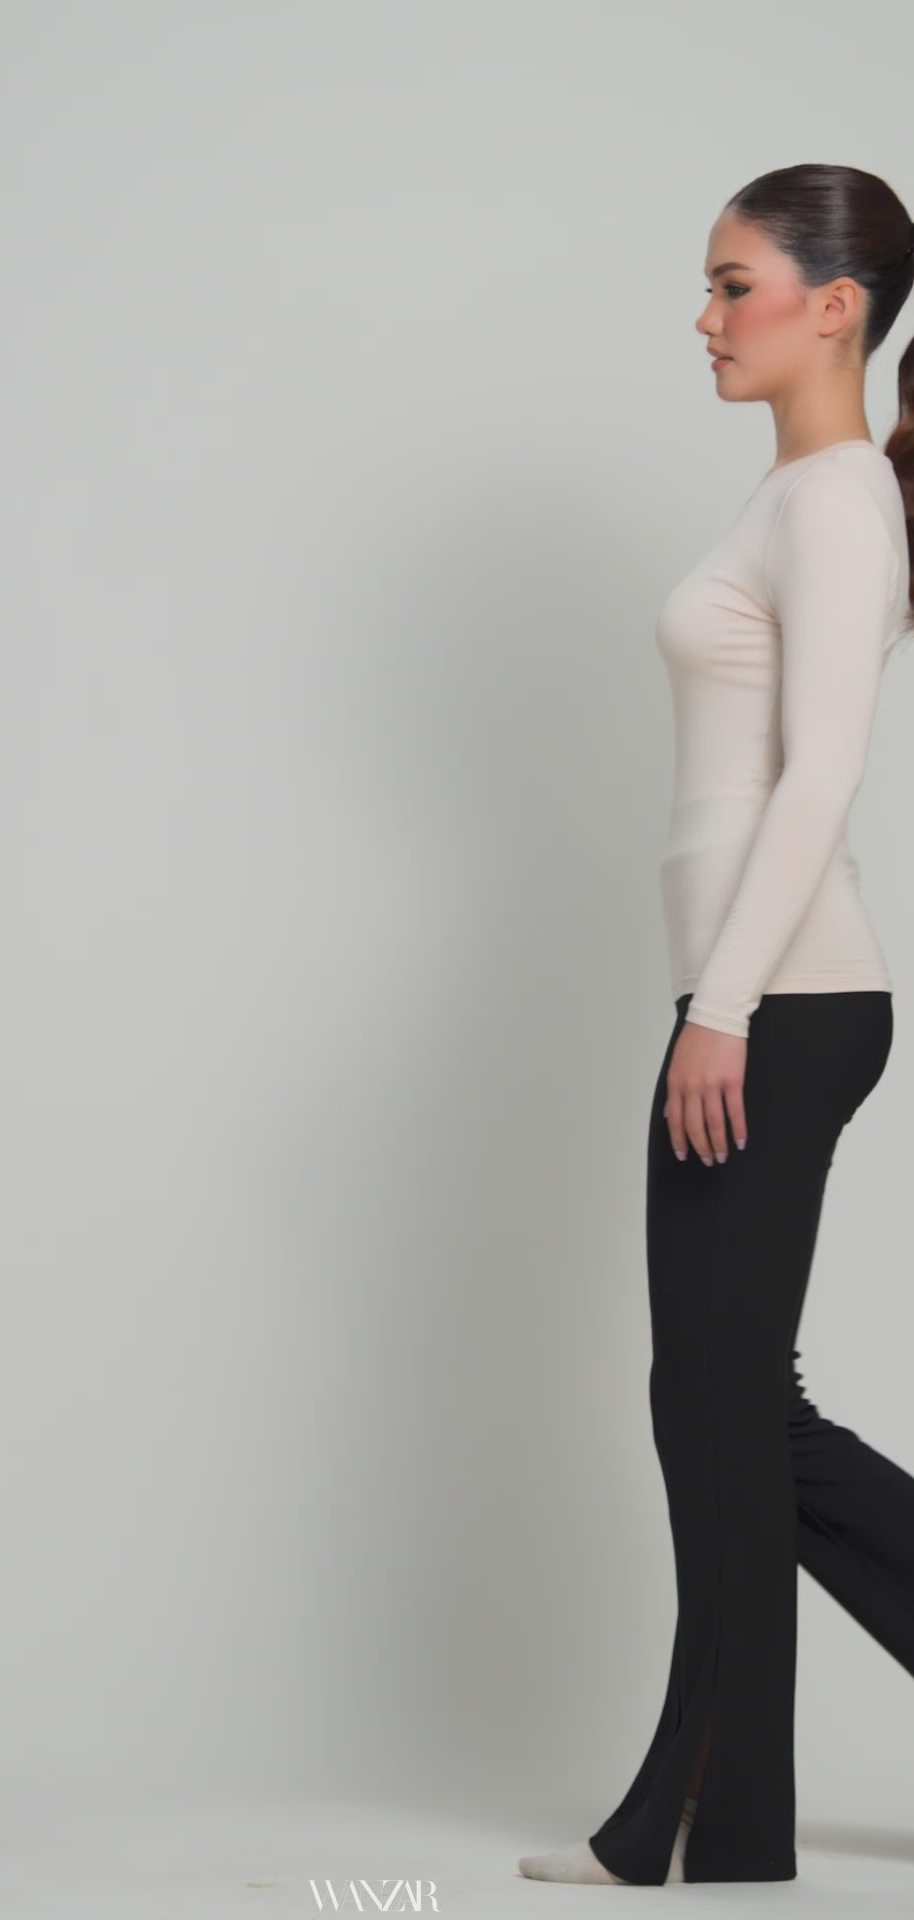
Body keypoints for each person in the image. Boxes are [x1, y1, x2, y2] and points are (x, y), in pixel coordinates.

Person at [518, 163, 914, 1887]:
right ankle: (723, 1814)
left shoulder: (836, 499)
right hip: (764, 996)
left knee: (722, 1403)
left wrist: (725, 1008)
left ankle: (695, 1811)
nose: (703, 318)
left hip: (785, 999)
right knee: (727, 1404)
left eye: (732, 284)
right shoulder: (803, 495)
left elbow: (820, 773)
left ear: (836, 305)